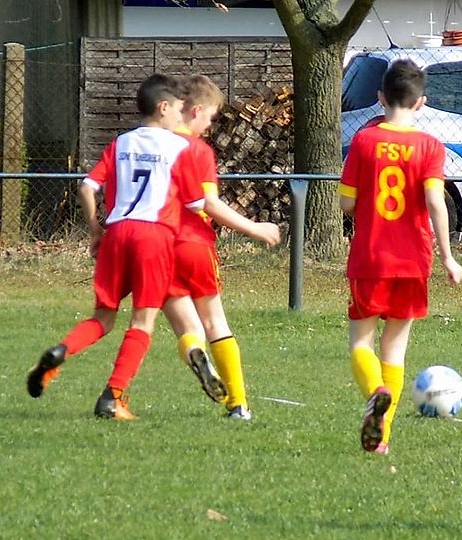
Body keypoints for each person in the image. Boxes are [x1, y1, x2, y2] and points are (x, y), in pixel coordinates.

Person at [26, 73, 206, 421]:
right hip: (153, 237)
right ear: (163, 107)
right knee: (143, 322)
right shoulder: (179, 148)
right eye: (178, 109)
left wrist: (95, 229)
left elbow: (86, 187)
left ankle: (60, 351)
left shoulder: (121, 143)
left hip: (117, 233)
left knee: (103, 319)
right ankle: (113, 396)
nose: (181, 116)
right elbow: (197, 203)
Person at [338, 59, 462, 455]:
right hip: (413, 261)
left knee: (361, 343)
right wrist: (448, 256)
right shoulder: (430, 147)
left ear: (380, 97)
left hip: (371, 257)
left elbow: (345, 203)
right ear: (421, 102)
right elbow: (435, 202)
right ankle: (382, 437)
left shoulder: (363, 141)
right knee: (395, 348)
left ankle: (375, 391)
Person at [162, 74, 281, 419]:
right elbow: (210, 204)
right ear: (196, 110)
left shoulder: (154, 144)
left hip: (158, 245)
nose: (210, 127)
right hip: (195, 243)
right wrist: (254, 228)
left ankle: (195, 353)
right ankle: (238, 404)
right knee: (215, 321)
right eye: (211, 118)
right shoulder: (198, 150)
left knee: (187, 328)